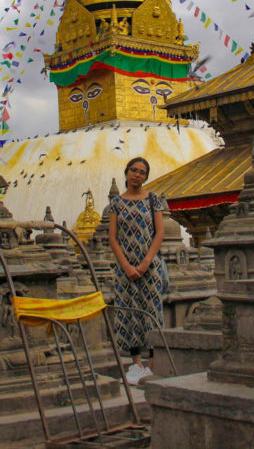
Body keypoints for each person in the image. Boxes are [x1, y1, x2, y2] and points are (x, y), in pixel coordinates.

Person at [108, 156, 167, 385]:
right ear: (126, 173)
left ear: (146, 176)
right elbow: (113, 238)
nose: (137, 175)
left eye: (142, 172)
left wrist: (145, 264)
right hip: (125, 267)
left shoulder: (153, 200)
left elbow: (159, 233)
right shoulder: (116, 203)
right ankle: (135, 364)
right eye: (133, 170)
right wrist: (126, 265)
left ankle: (151, 365)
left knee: (151, 311)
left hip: (149, 265)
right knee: (128, 312)